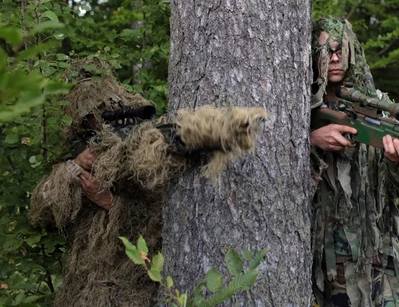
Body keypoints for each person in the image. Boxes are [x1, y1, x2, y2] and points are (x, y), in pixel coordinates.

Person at [29, 59, 267, 307]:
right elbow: (40, 213)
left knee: (152, 145)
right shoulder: (75, 154)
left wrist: (111, 204)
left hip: (132, 283)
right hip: (83, 286)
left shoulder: (132, 133)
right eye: (88, 116)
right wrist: (76, 165)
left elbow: (160, 219)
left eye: (99, 110)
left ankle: (213, 129)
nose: (96, 119)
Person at [309, 17, 399, 307]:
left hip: (382, 253)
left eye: (341, 51)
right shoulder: (299, 104)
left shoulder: (378, 105)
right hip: (328, 259)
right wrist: (312, 141)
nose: (335, 59)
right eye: (326, 51)